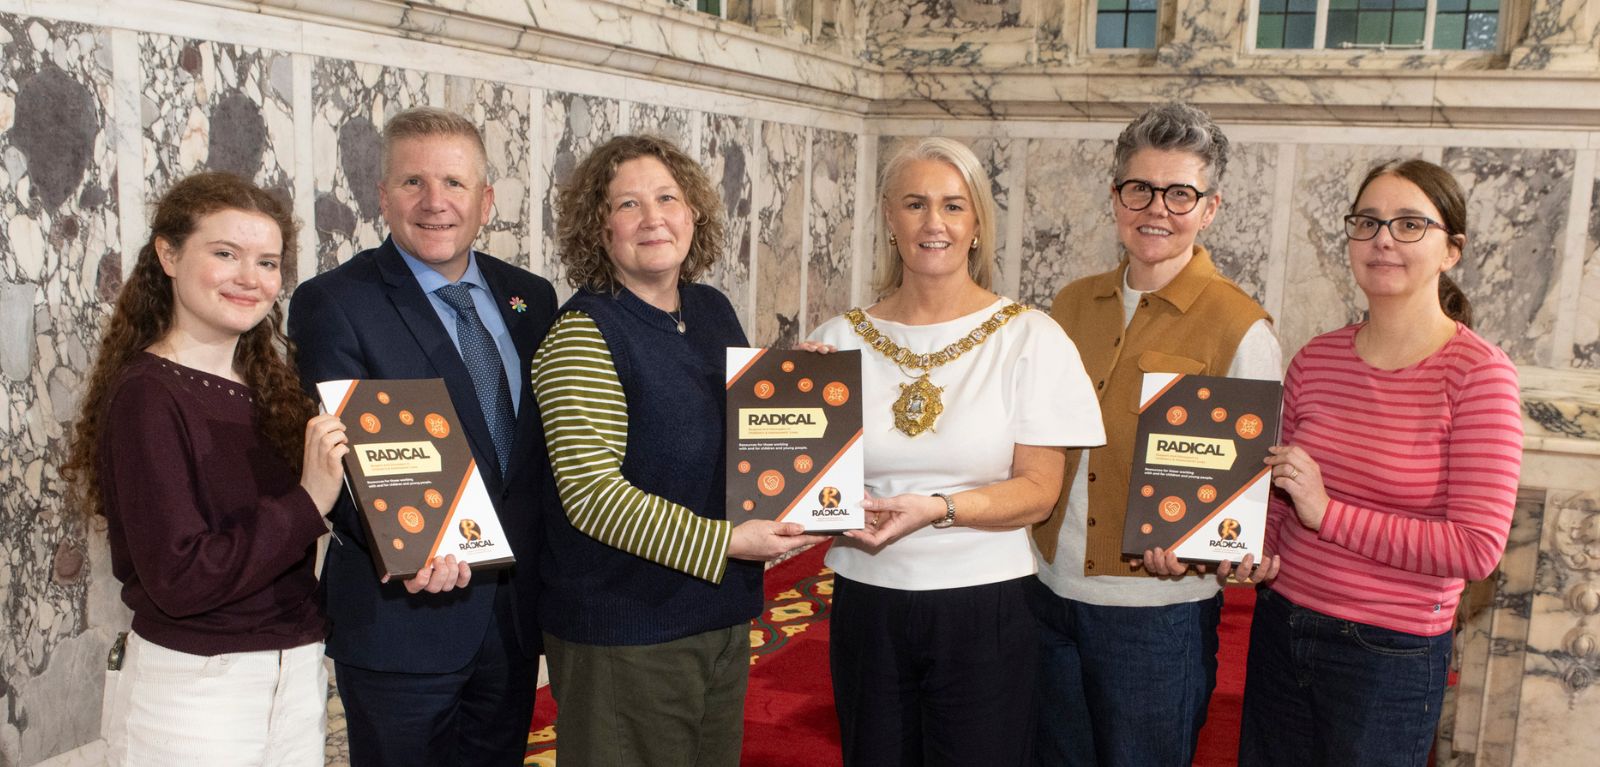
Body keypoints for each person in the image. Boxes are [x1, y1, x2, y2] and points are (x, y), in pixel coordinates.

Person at [806, 137, 1105, 766]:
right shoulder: (834, 342)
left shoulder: (1031, 337)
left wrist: (937, 508)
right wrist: (785, 405)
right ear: (889, 219)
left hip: (987, 603)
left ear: (976, 226)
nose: (933, 223)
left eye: (953, 206)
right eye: (915, 204)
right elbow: (803, 488)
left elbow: (1037, 493)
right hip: (868, 599)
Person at [531, 133, 824, 766]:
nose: (653, 217)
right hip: (626, 630)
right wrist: (728, 543)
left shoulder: (710, 310)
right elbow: (593, 498)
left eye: (667, 197)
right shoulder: (582, 335)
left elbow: (740, 434)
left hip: (715, 613)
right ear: (598, 228)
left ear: (693, 213)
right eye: (628, 204)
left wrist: (804, 387)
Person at [287, 107, 557, 766]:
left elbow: (540, 448)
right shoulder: (336, 301)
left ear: (486, 200)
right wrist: (403, 543)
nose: (435, 202)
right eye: (412, 182)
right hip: (403, 619)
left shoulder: (530, 299)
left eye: (455, 184)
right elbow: (341, 453)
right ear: (382, 197)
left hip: (513, 619)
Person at [1238, 159, 1523, 766]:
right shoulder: (1317, 359)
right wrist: (1248, 545)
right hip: (1282, 628)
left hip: (1388, 655)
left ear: (1452, 249)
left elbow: (1476, 548)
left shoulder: (1480, 375)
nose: (1383, 239)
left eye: (1409, 224)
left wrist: (1329, 514)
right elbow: (1280, 489)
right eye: (1367, 223)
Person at [1026, 101, 1284, 766]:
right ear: (1115, 197)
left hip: (1155, 613)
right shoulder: (1070, 304)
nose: (1156, 208)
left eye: (1180, 193)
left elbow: (1242, 496)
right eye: (1139, 188)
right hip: (1045, 592)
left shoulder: (1242, 328)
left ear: (1210, 208)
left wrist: (1209, 548)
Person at [62, 171, 348, 764]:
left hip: (293, 671)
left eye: (268, 263)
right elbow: (181, 576)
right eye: (226, 254)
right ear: (168, 254)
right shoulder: (148, 394)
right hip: (196, 689)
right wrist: (307, 501)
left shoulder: (269, 386)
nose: (251, 278)